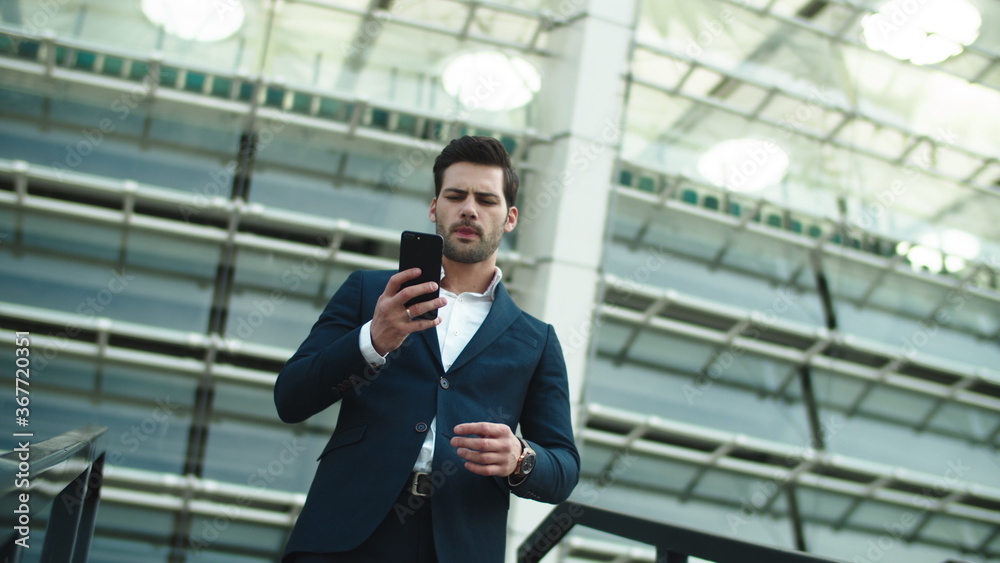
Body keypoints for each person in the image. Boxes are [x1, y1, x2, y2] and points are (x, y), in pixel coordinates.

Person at [274, 136, 580, 562]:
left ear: (510, 218)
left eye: (486, 200)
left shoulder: (535, 340)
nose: (469, 209)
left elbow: (564, 468)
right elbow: (290, 397)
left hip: (458, 543)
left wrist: (521, 457)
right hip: (344, 534)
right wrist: (372, 339)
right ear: (434, 207)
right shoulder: (369, 293)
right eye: (456, 196)